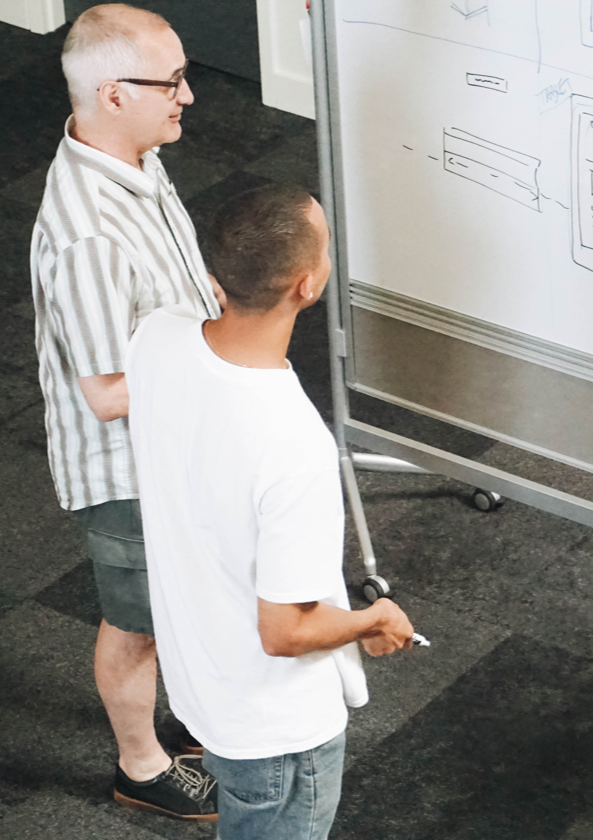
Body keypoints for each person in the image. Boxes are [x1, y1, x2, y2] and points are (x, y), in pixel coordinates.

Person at [126, 184, 415, 840]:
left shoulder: (156, 339)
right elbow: (284, 631)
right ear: (306, 287)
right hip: (279, 732)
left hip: (205, 684)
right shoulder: (295, 445)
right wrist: (372, 618)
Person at [30, 3, 223, 820]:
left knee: (182, 595)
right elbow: (108, 395)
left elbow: (167, 268)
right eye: (172, 81)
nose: (188, 96)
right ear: (114, 93)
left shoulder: (134, 152)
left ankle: (177, 718)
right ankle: (140, 766)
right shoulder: (90, 240)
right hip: (128, 469)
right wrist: (226, 369)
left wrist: (201, 296)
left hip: (175, 438)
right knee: (137, 621)